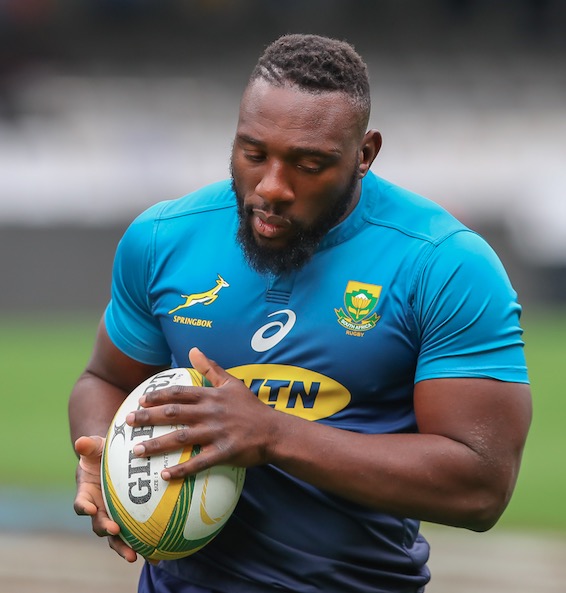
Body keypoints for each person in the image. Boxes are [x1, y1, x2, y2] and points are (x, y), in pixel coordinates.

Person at [69, 33, 532, 593]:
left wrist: (273, 434)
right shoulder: (163, 238)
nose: (271, 187)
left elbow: (480, 488)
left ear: (365, 154)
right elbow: (104, 379)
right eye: (253, 153)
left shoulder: (445, 265)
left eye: (309, 164)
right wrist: (101, 453)